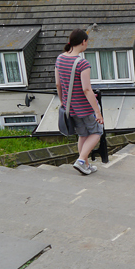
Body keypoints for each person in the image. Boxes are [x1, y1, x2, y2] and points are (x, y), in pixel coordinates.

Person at [55, 29, 104, 175]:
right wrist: (97, 111)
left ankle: (86, 166)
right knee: (96, 132)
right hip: (86, 107)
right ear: (83, 42)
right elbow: (86, 89)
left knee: (83, 135)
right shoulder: (82, 63)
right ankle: (81, 160)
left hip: (71, 107)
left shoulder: (60, 59)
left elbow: (58, 84)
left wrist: (64, 102)